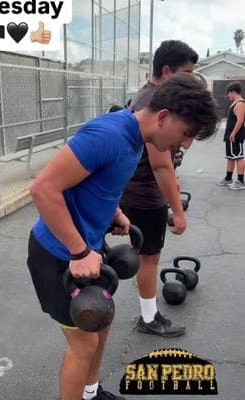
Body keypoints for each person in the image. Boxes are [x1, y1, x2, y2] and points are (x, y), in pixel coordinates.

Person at [27, 73, 219, 400]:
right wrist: (78, 251)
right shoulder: (109, 135)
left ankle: (90, 393)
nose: (185, 145)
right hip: (58, 254)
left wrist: (113, 213)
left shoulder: (136, 139)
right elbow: (42, 189)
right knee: (83, 342)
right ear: (162, 117)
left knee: (102, 322)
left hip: (88, 248)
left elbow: (100, 184)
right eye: (186, 134)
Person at [120, 40, 199, 338]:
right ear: (167, 71)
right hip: (143, 193)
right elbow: (160, 165)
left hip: (133, 189)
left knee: (144, 253)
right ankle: (149, 318)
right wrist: (178, 211)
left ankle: (147, 312)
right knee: (150, 256)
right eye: (186, 72)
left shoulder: (147, 94)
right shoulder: (155, 102)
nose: (190, 78)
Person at [216, 81, 245, 190]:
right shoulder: (235, 103)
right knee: (231, 157)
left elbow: (240, 121)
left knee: (239, 157)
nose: (228, 96)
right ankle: (228, 178)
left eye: (229, 93)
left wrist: (233, 133)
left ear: (233, 92)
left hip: (236, 136)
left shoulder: (240, 103)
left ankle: (241, 181)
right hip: (230, 136)